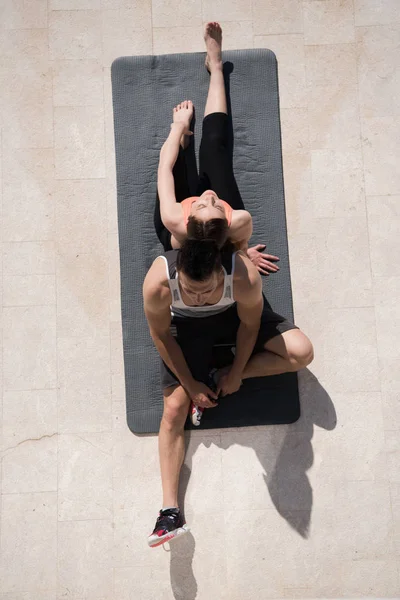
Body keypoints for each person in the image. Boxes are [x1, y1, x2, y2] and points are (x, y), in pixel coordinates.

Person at [144, 22, 314, 549]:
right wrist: (177, 132)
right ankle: (169, 511)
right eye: (207, 200)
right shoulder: (169, 242)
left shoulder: (235, 237)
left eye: (212, 200)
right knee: (174, 409)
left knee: (301, 352)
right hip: (190, 328)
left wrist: (234, 372)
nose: (210, 193)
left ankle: (215, 66)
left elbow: (246, 327)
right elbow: (161, 337)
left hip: (228, 276)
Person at [154, 21, 280, 277]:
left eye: (202, 204)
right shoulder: (239, 219)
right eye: (218, 205)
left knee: (177, 158)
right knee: (214, 145)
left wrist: (177, 127)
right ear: (226, 221)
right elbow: (240, 242)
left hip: (179, 234)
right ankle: (217, 67)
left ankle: (183, 141)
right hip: (216, 242)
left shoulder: (173, 217)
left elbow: (163, 166)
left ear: (187, 218)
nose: (209, 195)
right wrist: (243, 254)